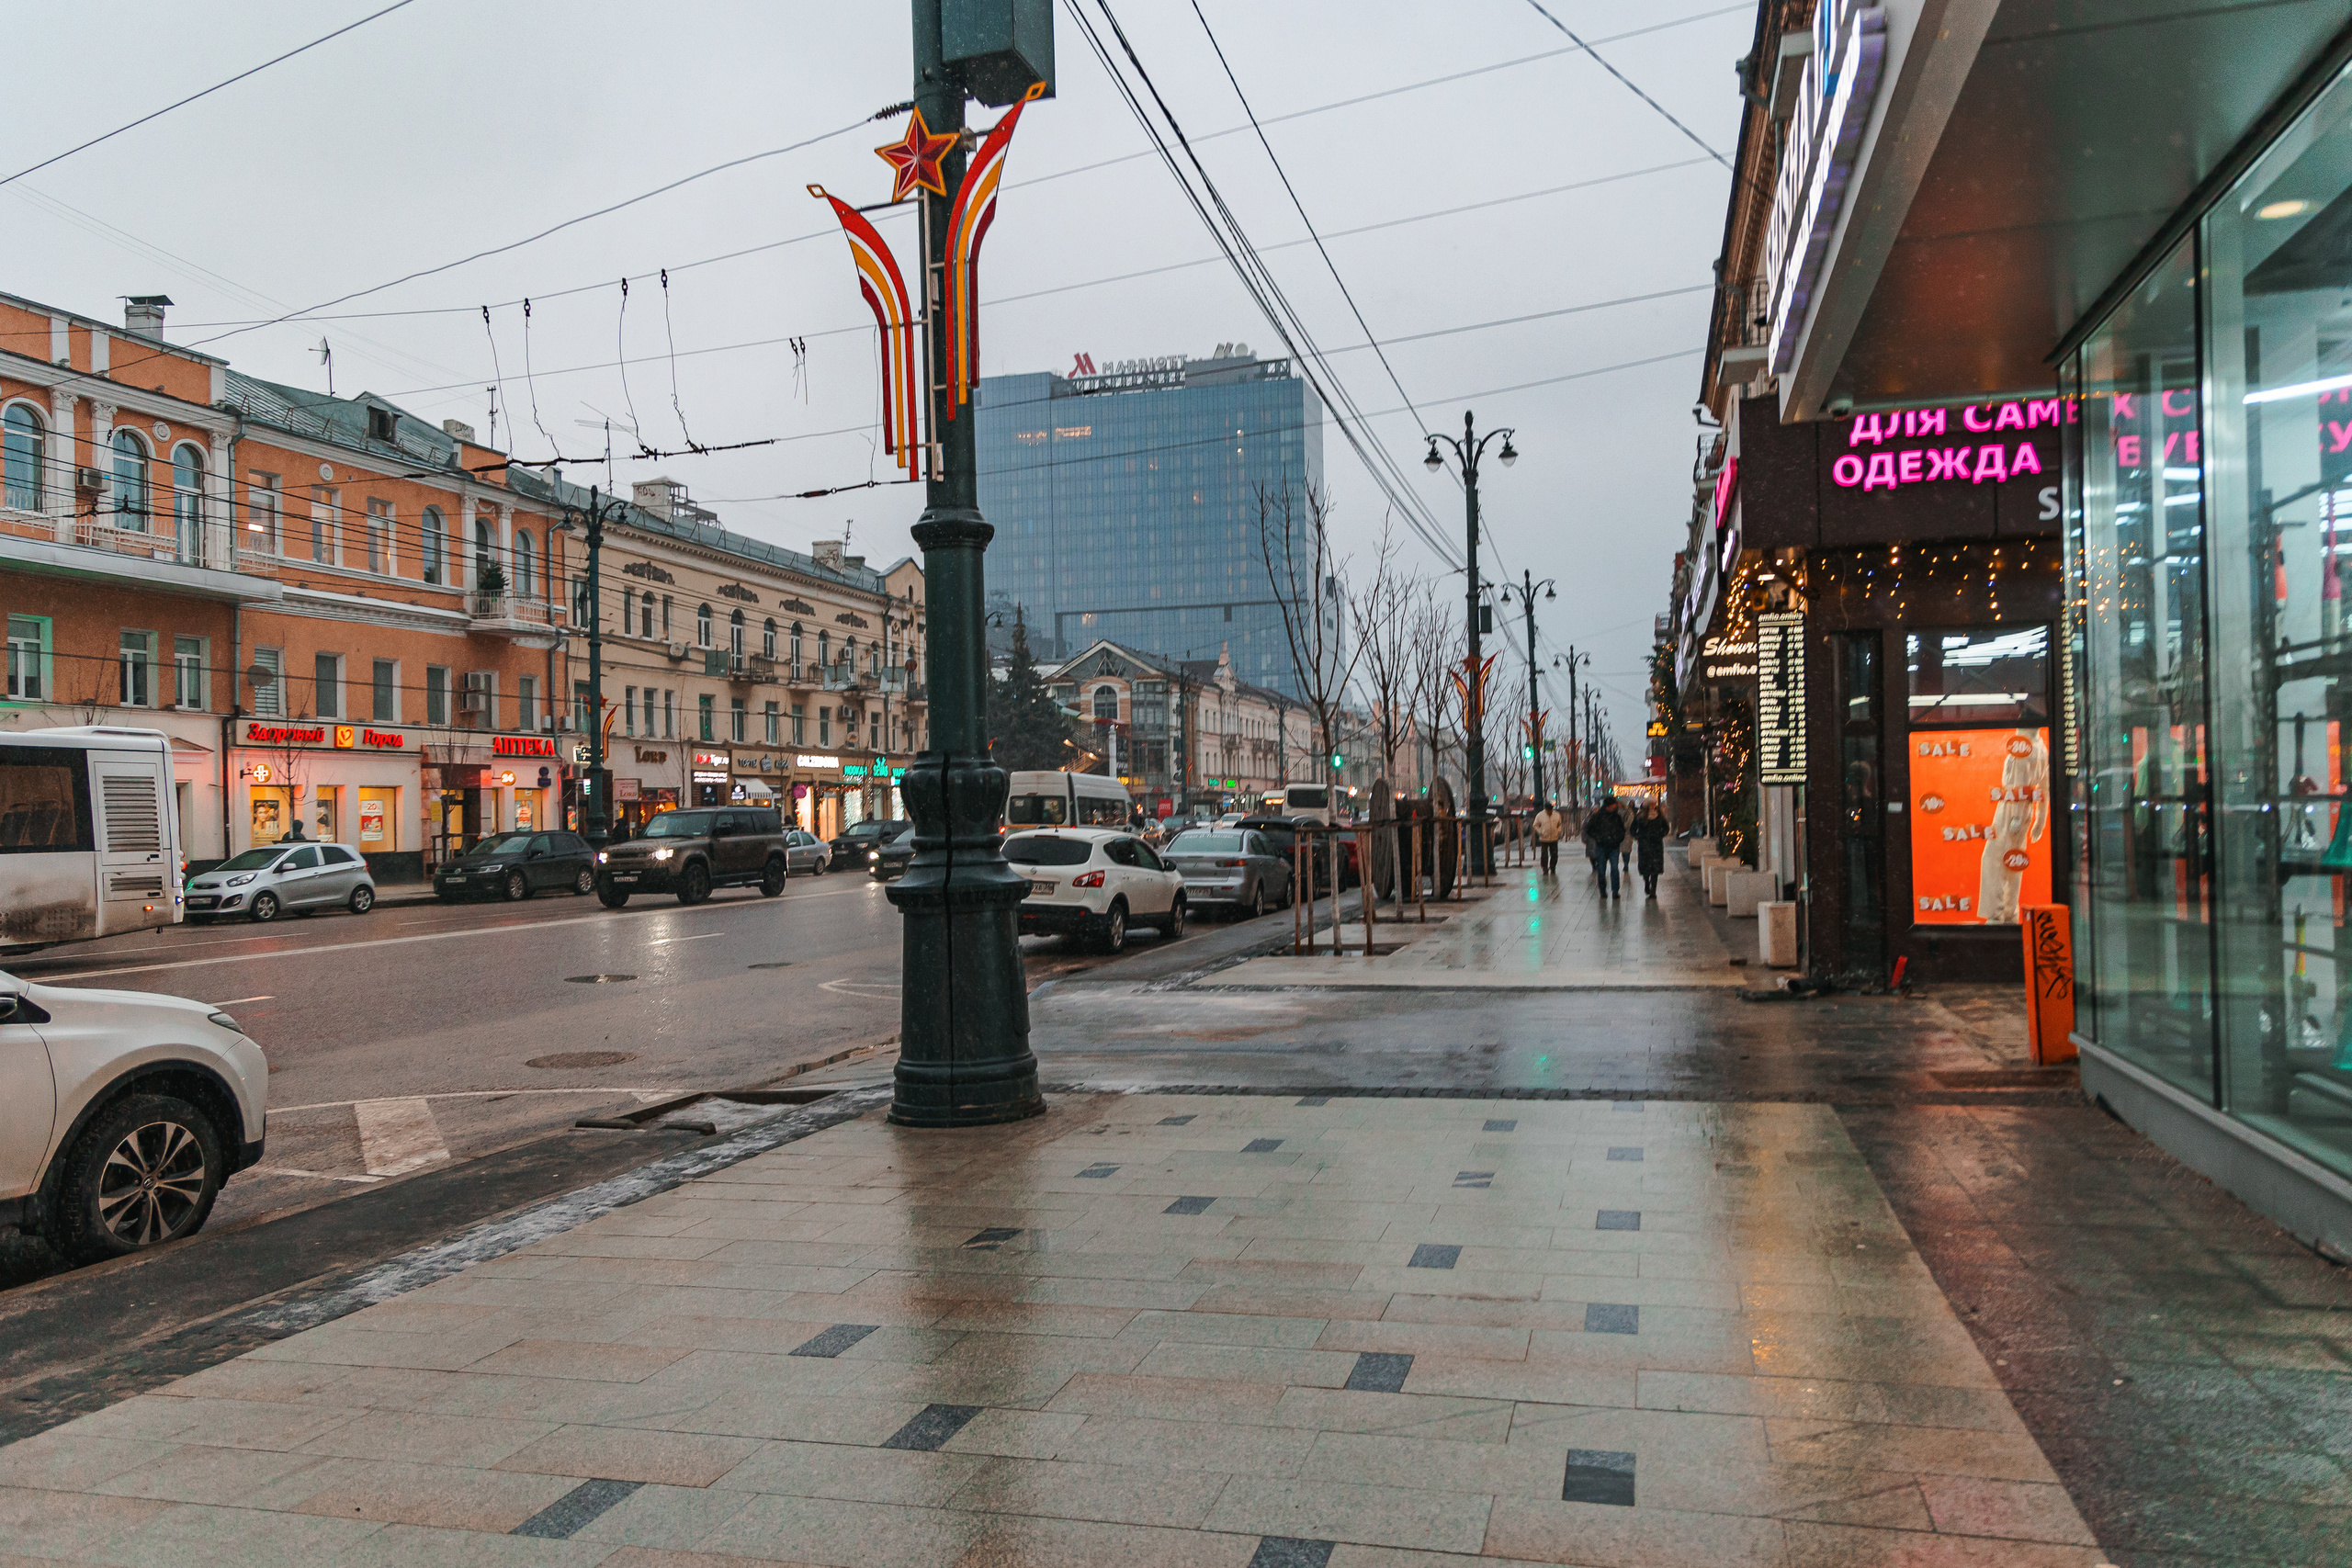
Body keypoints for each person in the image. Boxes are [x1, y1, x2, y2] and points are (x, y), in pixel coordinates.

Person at [1582, 795, 1626, 898]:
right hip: (1602, 846)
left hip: (1614, 846)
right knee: (1601, 869)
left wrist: (1617, 839)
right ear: (1609, 805)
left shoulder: (1617, 817)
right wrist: (1599, 838)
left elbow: (1621, 830)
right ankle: (1602, 890)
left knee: (1614, 868)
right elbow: (1589, 829)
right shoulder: (1598, 817)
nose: (1616, 806)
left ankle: (1615, 890)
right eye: (1614, 804)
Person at [1630, 801, 1669, 897]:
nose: (1653, 806)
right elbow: (1632, 829)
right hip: (1644, 845)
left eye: (1654, 804)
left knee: (1655, 869)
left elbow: (1666, 828)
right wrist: (1637, 836)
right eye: (1651, 805)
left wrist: (1660, 834)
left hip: (1656, 845)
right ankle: (1647, 883)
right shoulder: (1640, 816)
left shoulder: (1660, 816)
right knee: (1646, 868)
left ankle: (1653, 890)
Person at [1532, 800, 1565, 874]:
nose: (1550, 811)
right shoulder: (1540, 815)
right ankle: (1545, 868)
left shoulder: (1556, 815)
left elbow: (1560, 824)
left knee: (1554, 854)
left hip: (1554, 838)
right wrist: (1540, 831)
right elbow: (1535, 825)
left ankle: (1553, 867)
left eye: (1551, 809)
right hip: (1544, 838)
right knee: (1544, 855)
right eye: (1548, 809)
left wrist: (1558, 831)